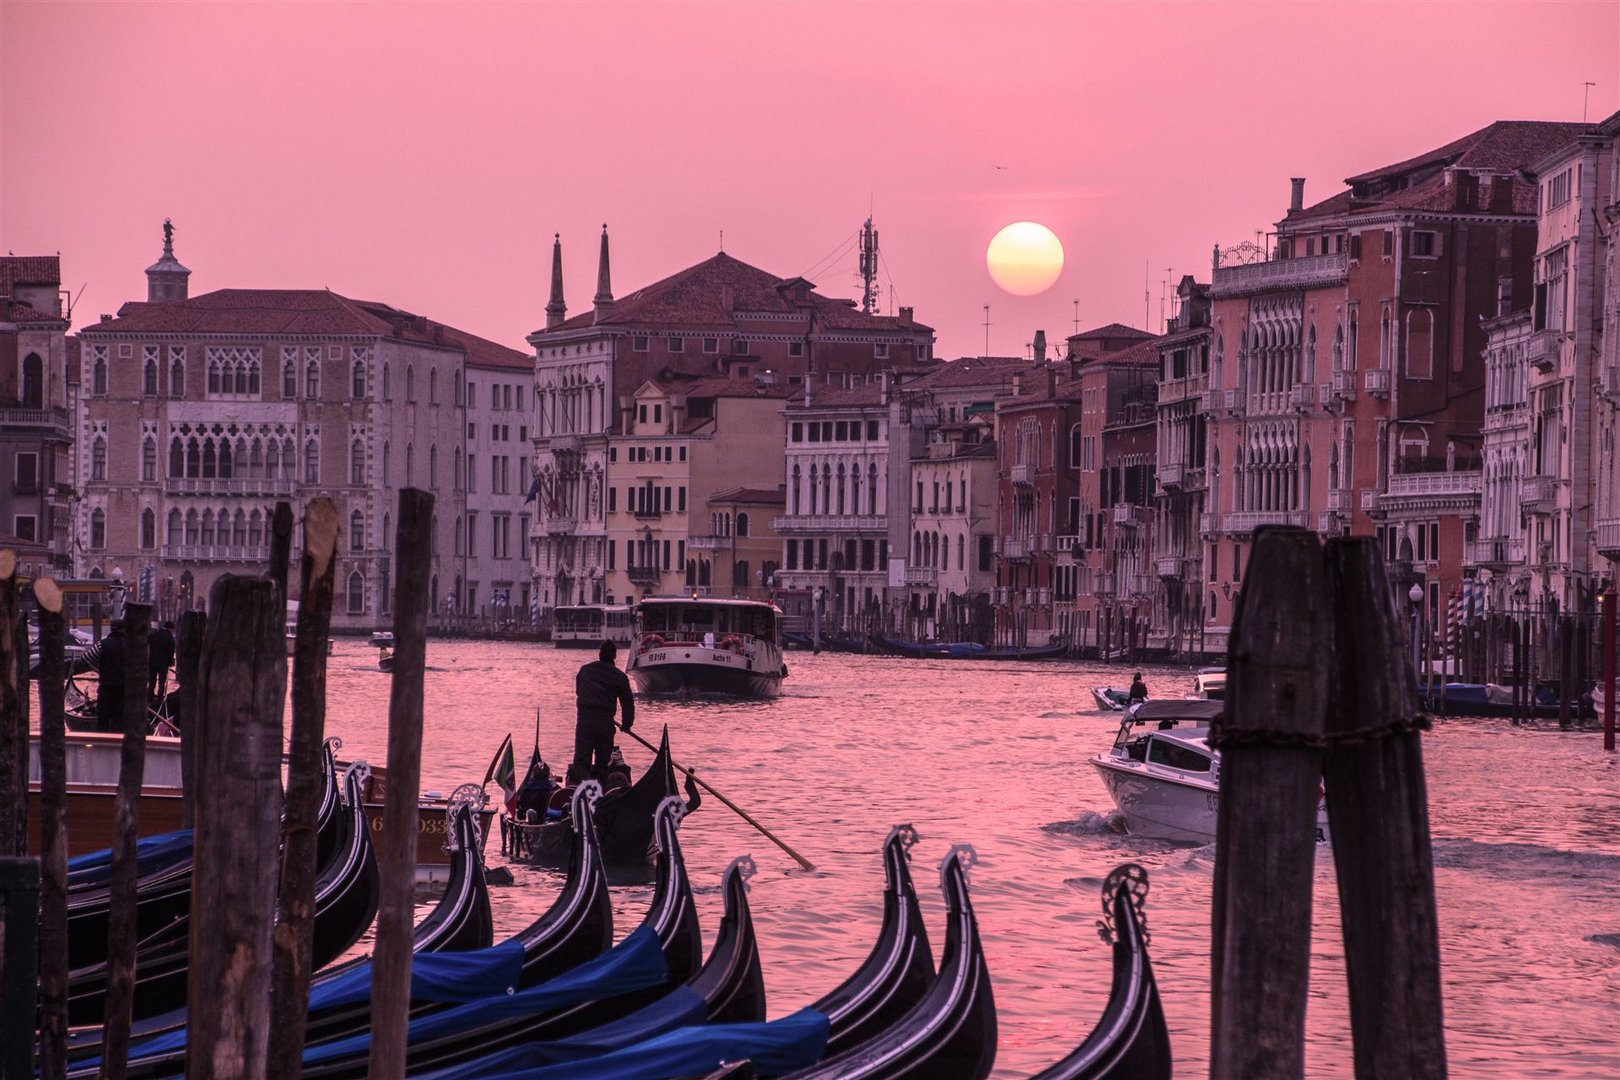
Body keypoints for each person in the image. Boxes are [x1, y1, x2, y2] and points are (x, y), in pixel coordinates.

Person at [574, 640, 634, 781]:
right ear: (614, 656)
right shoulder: (620, 677)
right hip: (605, 723)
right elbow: (628, 704)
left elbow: (579, 691)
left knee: (581, 762)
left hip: (584, 721)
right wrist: (626, 725)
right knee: (602, 764)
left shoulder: (585, 670)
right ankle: (599, 793)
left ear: (600, 654)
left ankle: (583, 791)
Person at [96, 620, 127, 733]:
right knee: (119, 719)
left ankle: (102, 744)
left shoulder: (103, 644)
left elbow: (85, 659)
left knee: (103, 718)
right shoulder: (132, 646)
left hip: (106, 687)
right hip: (124, 689)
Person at [148, 620, 176, 702]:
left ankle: (150, 696)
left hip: (152, 661)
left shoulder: (153, 634)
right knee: (161, 681)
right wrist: (171, 662)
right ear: (170, 628)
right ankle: (160, 697)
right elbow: (171, 651)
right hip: (163, 663)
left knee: (152, 680)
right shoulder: (169, 637)